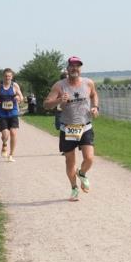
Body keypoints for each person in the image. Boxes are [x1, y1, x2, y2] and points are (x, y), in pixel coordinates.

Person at [43, 57, 99, 201]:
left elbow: (94, 95)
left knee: (89, 158)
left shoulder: (88, 83)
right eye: (72, 66)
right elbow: (46, 104)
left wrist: (95, 107)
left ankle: (82, 173)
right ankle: (74, 188)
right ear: (67, 69)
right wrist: (59, 100)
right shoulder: (59, 86)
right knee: (70, 162)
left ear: (80, 69)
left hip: (85, 126)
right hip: (68, 128)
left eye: (77, 66)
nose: (75, 69)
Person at [0, 68, 25, 161]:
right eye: (6, 76)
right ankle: (4, 144)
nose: (7, 78)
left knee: (13, 133)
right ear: (3, 76)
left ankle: (11, 154)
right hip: (2, 113)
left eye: (9, 76)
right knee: (5, 135)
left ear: (12, 77)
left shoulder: (15, 85)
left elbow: (22, 97)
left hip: (13, 112)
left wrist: (18, 98)